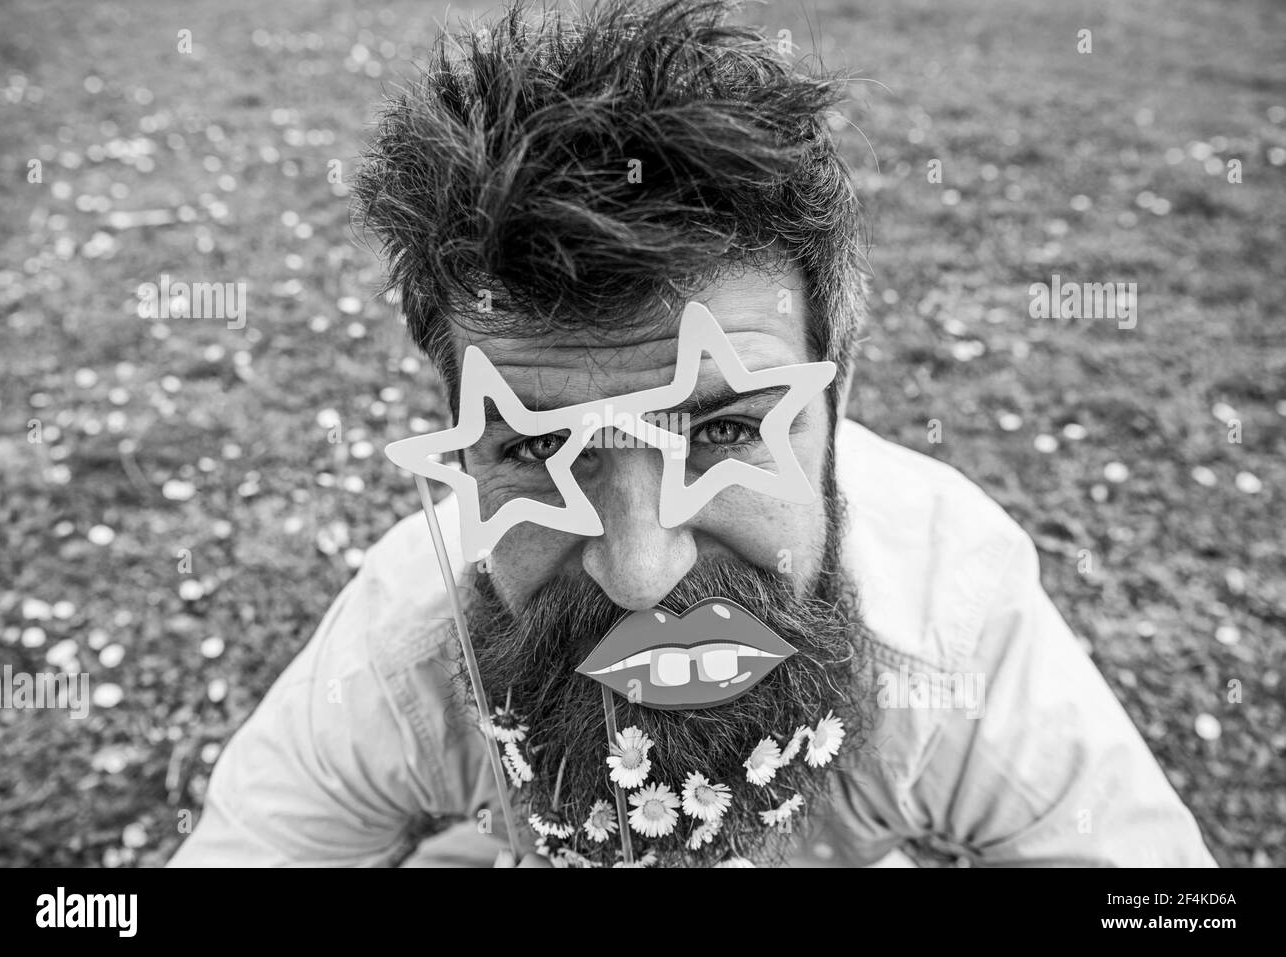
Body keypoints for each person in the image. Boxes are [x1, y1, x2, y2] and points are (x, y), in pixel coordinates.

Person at [169, 0, 1214, 868]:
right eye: (536, 449)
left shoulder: (951, 623)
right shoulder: (403, 650)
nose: (638, 574)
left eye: (718, 431)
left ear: (837, 411)